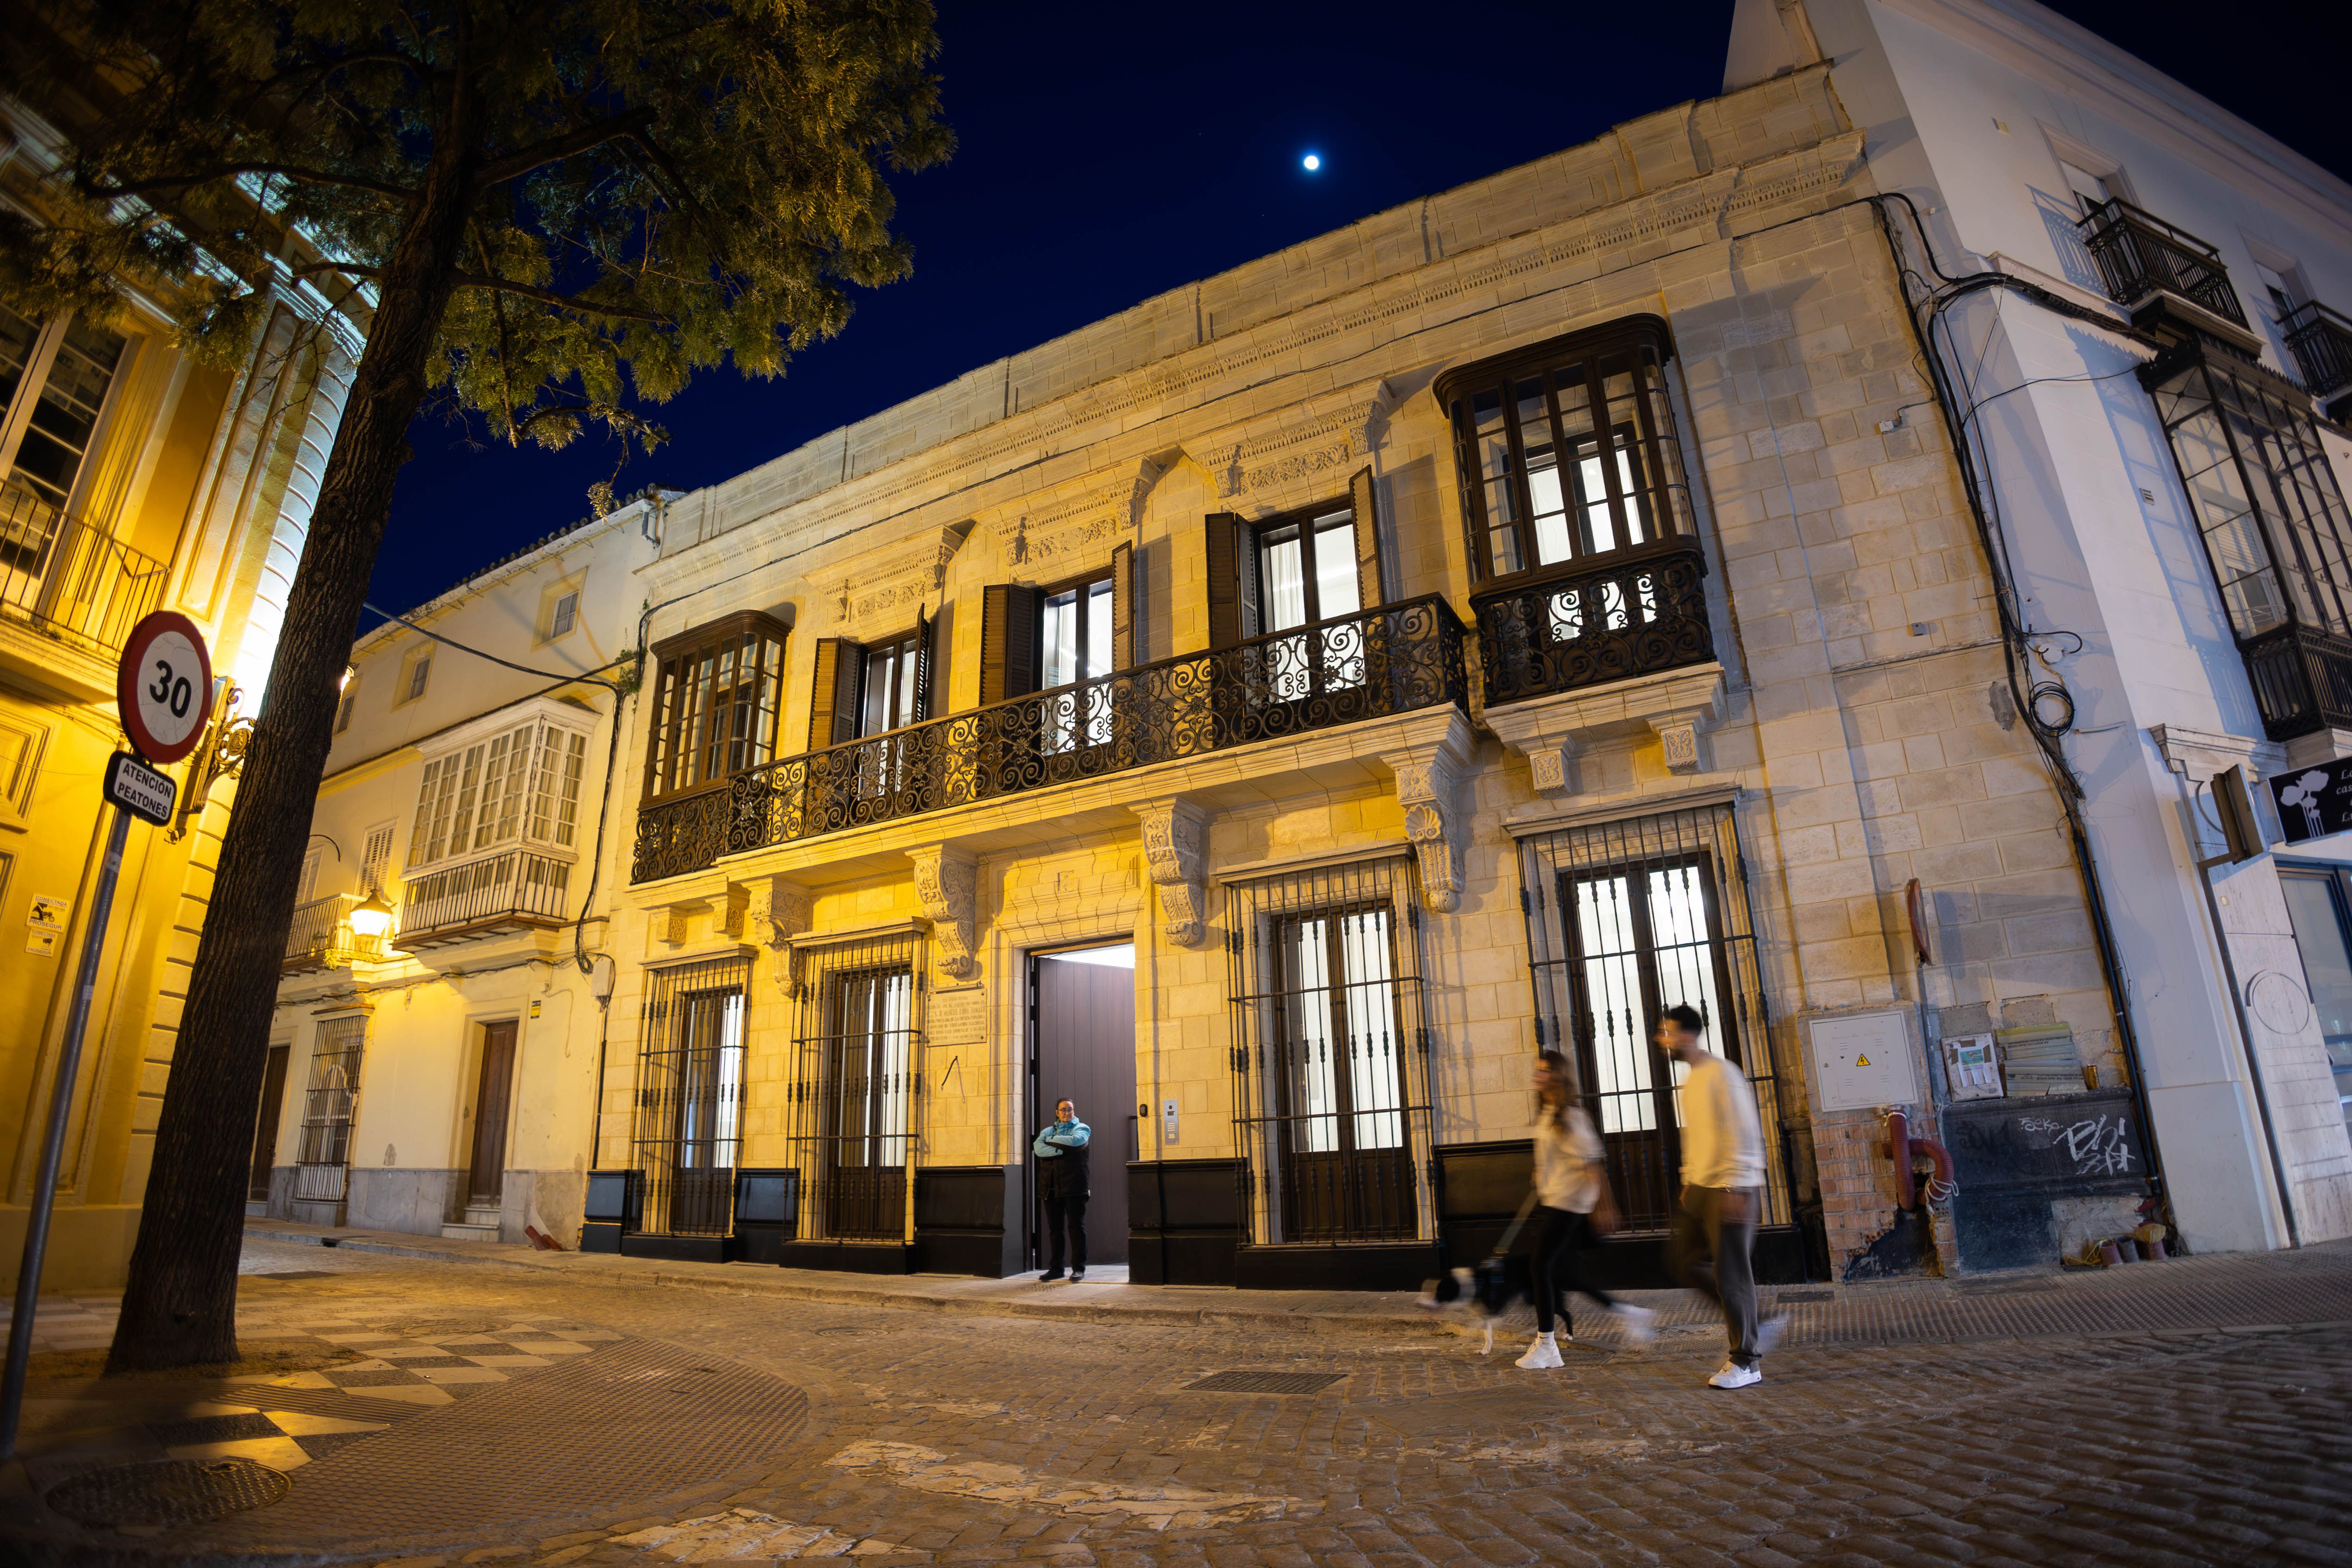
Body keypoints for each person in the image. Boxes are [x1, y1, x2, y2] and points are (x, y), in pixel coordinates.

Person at [1655, 1003, 1785, 1388]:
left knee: (1732, 1276)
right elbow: (1698, 1135)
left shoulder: (1722, 1073)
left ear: (1687, 1035)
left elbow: (1744, 1131)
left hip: (1730, 1187)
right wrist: (1688, 1177)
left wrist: (1735, 1185)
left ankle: (1746, 1361)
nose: (1662, 1039)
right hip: (1700, 1188)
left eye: (1667, 1032)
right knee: (1682, 1262)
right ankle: (1757, 1322)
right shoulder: (1692, 1079)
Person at [1514, 1050, 1655, 1369]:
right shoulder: (1549, 1112)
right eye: (1537, 1070)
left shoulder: (1571, 1116)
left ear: (1559, 1075)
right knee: (1565, 1274)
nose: (1538, 1076)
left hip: (1569, 1206)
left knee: (1539, 1267)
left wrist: (1605, 1207)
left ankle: (1547, 1345)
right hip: (1554, 1201)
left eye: (1544, 1070)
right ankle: (1630, 1314)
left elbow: (1592, 1163)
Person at [1033, 1097, 1090, 1281]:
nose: (1067, 1113)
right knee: (1055, 1231)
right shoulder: (1047, 1131)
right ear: (1057, 1112)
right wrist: (1061, 1150)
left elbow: (1076, 1142)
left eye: (1070, 1110)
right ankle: (1057, 1269)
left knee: (1076, 1228)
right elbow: (1038, 1149)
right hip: (1050, 1188)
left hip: (1074, 1186)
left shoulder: (1082, 1128)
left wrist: (1050, 1142)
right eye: (1064, 1110)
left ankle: (1079, 1268)